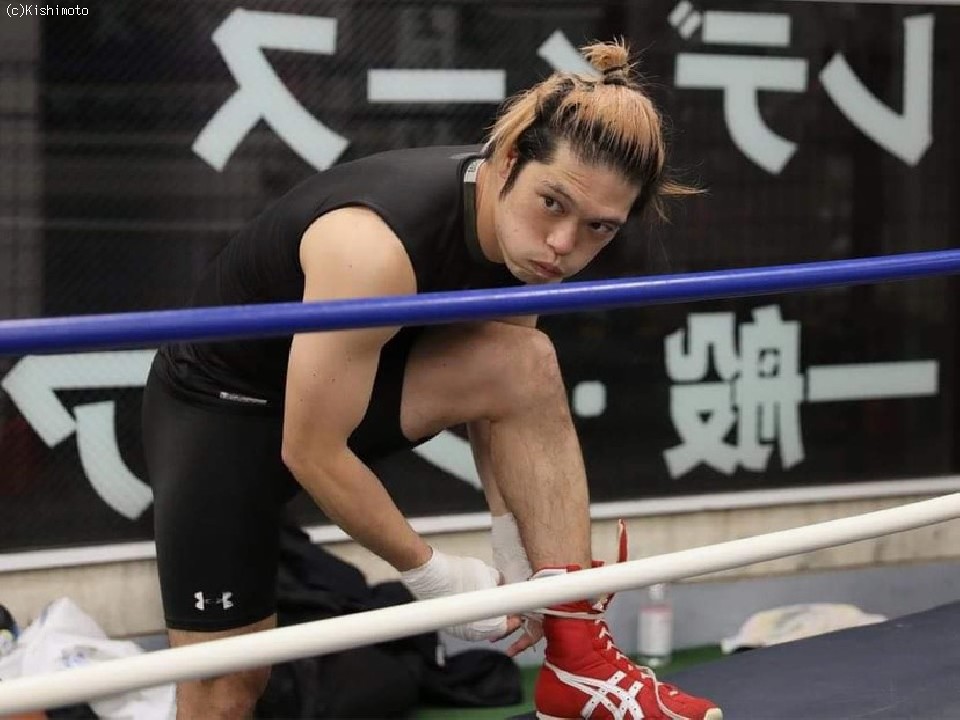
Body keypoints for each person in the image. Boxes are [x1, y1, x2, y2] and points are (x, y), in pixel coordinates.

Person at [141, 39, 722, 720]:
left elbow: (504, 397)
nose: (565, 244)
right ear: (508, 161)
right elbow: (311, 448)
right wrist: (434, 575)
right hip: (224, 408)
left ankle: (580, 662)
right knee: (226, 688)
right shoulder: (371, 246)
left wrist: (518, 553)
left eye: (599, 228)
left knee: (524, 361)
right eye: (552, 203)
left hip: (350, 386)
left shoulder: (530, 249)